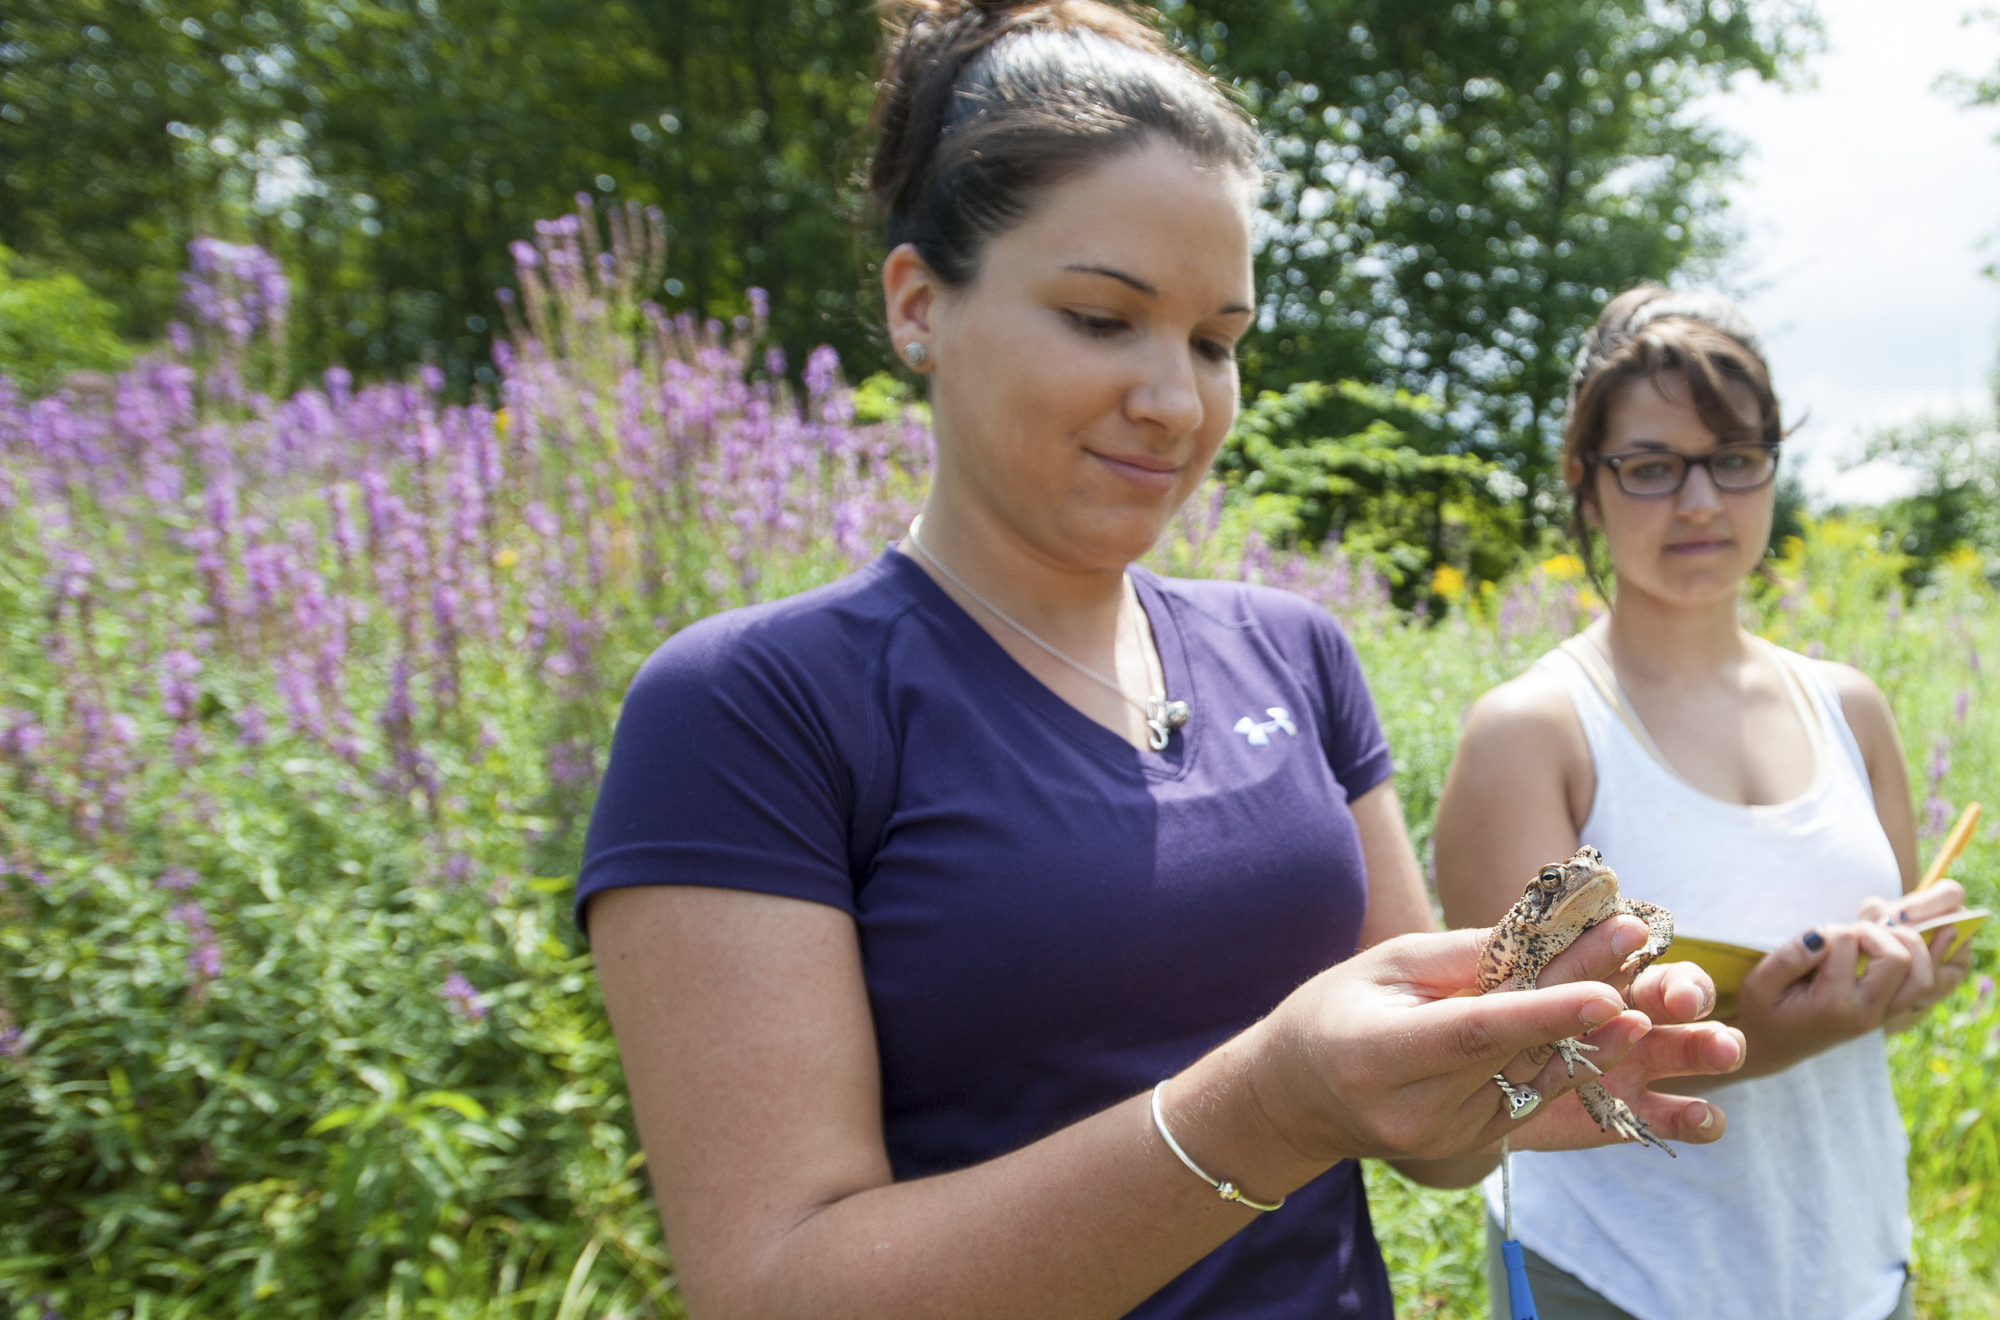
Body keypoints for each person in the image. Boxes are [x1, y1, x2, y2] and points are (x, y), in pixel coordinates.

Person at [578, 7, 1742, 1317]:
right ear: (920, 306)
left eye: (1214, 341)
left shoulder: (1295, 653)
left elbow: (1428, 1140)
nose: (1177, 402)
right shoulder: (752, 709)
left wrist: (1519, 1064)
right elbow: (774, 1289)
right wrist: (1269, 1109)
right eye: (1099, 318)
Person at [1432, 285, 1975, 1320]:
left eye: (1732, 459)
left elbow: (1884, 989)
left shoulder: (1847, 708)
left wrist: (1905, 973)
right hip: (1614, 1277)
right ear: (1584, 487)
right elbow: (1517, 1069)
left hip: (1850, 1266)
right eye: (1649, 467)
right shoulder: (1532, 733)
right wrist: (1777, 1033)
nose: (1697, 502)